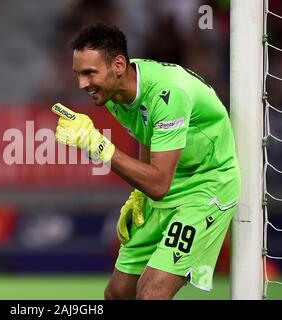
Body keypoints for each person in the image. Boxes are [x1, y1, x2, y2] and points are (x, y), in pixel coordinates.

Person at [51, 22, 241, 300]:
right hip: (168, 183)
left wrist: (98, 146)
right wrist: (138, 194)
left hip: (206, 187)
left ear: (118, 65)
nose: (82, 84)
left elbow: (159, 184)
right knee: (117, 293)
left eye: (89, 73)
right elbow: (147, 134)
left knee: (151, 294)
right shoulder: (116, 92)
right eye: (78, 74)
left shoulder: (168, 94)